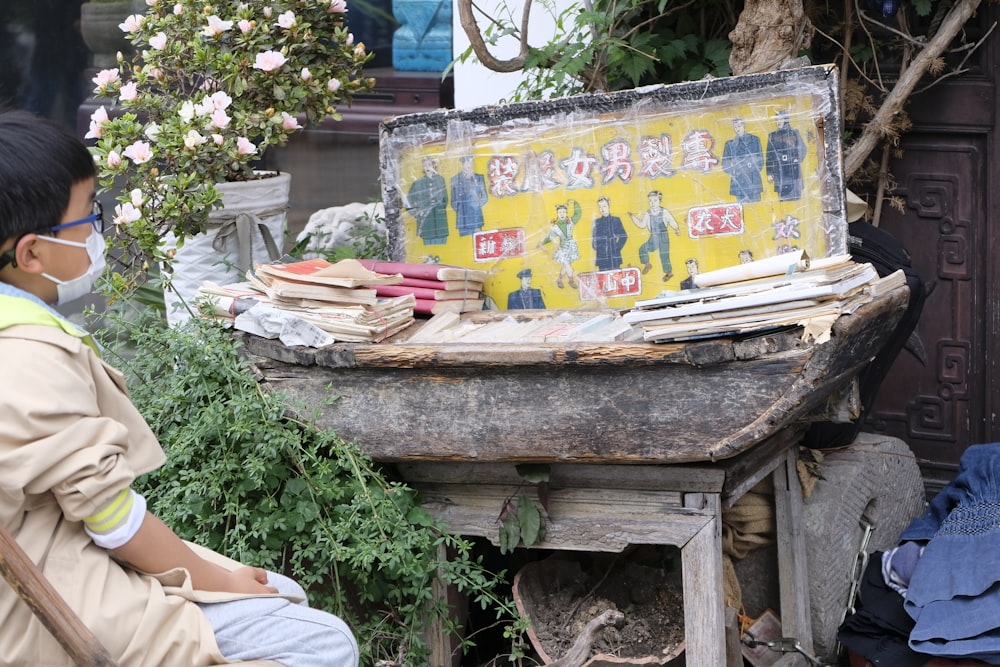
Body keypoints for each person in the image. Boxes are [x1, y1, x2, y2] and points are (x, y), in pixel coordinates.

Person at [0, 110, 359, 667]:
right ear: (31, 253)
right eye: (88, 217)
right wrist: (225, 581)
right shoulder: (28, 358)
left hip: (53, 554)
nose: (99, 231)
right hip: (51, 606)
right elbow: (115, 521)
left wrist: (221, 577)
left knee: (282, 592)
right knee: (323, 641)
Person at [628, 190, 681, 282]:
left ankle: (668, 273)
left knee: (664, 255)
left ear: (660, 201)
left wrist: (676, 229)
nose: (652, 203)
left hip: (663, 237)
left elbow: (671, 221)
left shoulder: (664, 211)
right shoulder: (648, 213)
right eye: (650, 201)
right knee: (643, 248)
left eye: (655, 200)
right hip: (653, 237)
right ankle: (647, 264)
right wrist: (633, 217)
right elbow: (642, 225)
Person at [403, 156, 449, 245]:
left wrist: (440, 209)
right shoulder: (418, 183)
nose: (427, 167)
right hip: (426, 222)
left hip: (440, 221)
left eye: (429, 165)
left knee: (443, 243)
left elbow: (445, 199)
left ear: (433, 166)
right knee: (428, 245)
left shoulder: (440, 179)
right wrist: (417, 213)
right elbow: (409, 202)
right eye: (425, 165)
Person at [538, 200, 581, 289]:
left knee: (566, 265)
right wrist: (541, 242)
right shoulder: (556, 227)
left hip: (572, 247)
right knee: (568, 265)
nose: (562, 214)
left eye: (563, 212)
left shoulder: (570, 221)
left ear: (566, 213)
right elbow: (550, 237)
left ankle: (559, 280)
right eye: (560, 212)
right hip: (563, 248)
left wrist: (575, 203)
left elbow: (578, 214)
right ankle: (571, 281)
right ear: (557, 214)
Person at [765, 110, 807, 201]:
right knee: (783, 201)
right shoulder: (772, 136)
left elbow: (803, 148)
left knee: (796, 199)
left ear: (786, 119)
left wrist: (797, 159)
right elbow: (769, 156)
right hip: (780, 173)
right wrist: (769, 173)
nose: (778, 122)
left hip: (793, 171)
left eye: (780, 119)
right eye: (776, 120)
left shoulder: (794, 133)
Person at [721, 118, 764, 203]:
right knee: (742, 208)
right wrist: (734, 170)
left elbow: (760, 160)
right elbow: (725, 164)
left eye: (739, 126)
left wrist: (753, 169)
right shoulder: (730, 144)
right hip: (739, 181)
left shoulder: (755, 140)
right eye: (735, 127)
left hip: (753, 180)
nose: (737, 129)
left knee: (756, 207)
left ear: (744, 126)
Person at [450, 155, 488, 236]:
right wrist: (460, 209)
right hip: (462, 218)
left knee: (478, 239)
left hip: (475, 217)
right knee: (464, 242)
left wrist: (476, 206)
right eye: (466, 163)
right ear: (462, 164)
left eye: (470, 163)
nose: (468, 166)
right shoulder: (455, 179)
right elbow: (453, 201)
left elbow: (484, 197)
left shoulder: (479, 178)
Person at [591, 196, 628, 271]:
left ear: (608, 206)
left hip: (614, 257)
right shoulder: (597, 222)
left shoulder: (616, 220)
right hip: (602, 258)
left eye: (604, 206)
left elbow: (623, 236)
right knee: (603, 279)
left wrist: (616, 248)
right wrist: (600, 249)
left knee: (616, 277)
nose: (602, 209)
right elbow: (594, 240)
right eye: (600, 207)